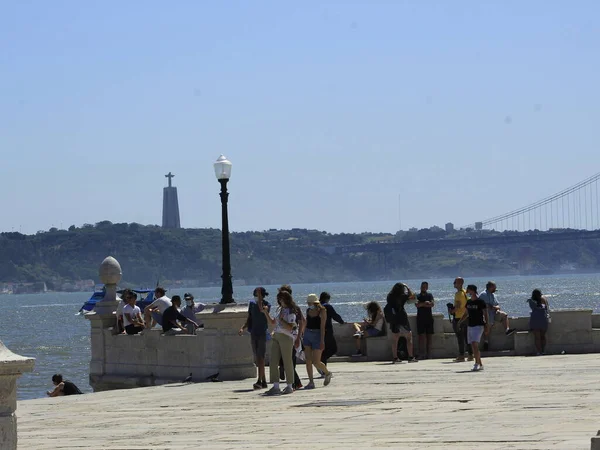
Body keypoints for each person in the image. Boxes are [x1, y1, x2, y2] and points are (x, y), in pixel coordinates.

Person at [263, 290, 297, 395]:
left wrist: (282, 321)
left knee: (287, 361)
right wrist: (266, 313)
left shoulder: (291, 311)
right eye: (279, 298)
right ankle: (276, 386)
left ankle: (290, 386)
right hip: (276, 336)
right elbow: (273, 322)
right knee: (273, 361)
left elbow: (291, 327)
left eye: (281, 298)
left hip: (286, 337)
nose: (280, 300)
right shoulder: (279, 310)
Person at [239, 287, 271, 390]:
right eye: (255, 295)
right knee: (257, 357)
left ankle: (259, 380)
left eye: (257, 294)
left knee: (261, 357)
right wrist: (243, 328)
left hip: (262, 333)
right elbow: (250, 318)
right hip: (254, 333)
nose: (256, 297)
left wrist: (260, 299)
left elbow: (262, 310)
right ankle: (264, 381)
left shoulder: (267, 305)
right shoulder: (252, 304)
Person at [302, 294, 333, 389]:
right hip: (307, 334)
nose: (308, 304)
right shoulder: (308, 310)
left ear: (314, 303)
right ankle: (311, 382)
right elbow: (306, 323)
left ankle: (327, 373)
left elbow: (322, 327)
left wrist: (322, 341)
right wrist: (302, 334)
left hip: (317, 335)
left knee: (316, 361)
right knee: (308, 360)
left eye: (309, 303)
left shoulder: (322, 311)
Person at [277, 284, 304, 390]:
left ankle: (295, 383)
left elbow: (302, 322)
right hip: (283, 337)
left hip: (292, 337)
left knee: (290, 361)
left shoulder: (294, 308)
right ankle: (294, 382)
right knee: (287, 360)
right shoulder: (282, 309)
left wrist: (298, 338)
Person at [385, 282, 418, 363]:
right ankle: (410, 357)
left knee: (395, 339)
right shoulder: (402, 296)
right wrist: (407, 287)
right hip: (402, 318)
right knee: (409, 337)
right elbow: (412, 296)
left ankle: (395, 358)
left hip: (393, 318)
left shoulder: (389, 296)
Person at [459, 284, 489, 371]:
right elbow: (466, 313)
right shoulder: (468, 302)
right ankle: (480, 364)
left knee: (475, 345)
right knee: (473, 345)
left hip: (479, 325)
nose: (467, 291)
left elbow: (485, 314)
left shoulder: (480, 302)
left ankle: (476, 364)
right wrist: (460, 322)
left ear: (472, 290)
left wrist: (487, 325)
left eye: (468, 289)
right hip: (470, 325)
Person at [479, 281, 516, 350]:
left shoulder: (493, 295)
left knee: (504, 315)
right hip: (486, 314)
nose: (495, 290)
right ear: (490, 287)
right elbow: (484, 306)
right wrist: (492, 307)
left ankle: (507, 330)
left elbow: (497, 305)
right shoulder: (483, 295)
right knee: (488, 328)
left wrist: (496, 308)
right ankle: (486, 342)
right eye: (494, 288)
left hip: (494, 312)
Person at [449, 277, 473, 362]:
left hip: (459, 318)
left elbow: (458, 306)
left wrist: (452, 311)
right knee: (467, 338)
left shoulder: (458, 293)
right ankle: (470, 355)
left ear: (459, 283)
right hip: (466, 317)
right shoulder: (465, 292)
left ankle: (461, 355)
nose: (453, 283)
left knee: (460, 338)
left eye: (455, 282)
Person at [319, 292, 345, 366]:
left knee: (323, 350)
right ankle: (320, 361)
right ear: (327, 299)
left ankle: (322, 367)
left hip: (318, 331)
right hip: (327, 331)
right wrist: (342, 322)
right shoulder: (327, 306)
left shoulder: (317, 306)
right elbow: (335, 316)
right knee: (333, 349)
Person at [416, 281, 435, 360]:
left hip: (429, 318)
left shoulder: (430, 295)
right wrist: (425, 304)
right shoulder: (417, 296)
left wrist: (423, 304)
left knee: (429, 336)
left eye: (425, 286)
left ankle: (429, 354)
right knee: (421, 337)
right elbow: (417, 305)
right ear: (420, 287)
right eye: (422, 286)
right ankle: (421, 354)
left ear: (427, 287)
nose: (424, 288)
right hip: (420, 318)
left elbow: (432, 304)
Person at [528, 289, 550, 355]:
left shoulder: (531, 301)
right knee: (543, 336)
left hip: (535, 319)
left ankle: (539, 351)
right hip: (543, 319)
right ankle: (543, 351)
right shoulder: (543, 299)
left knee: (537, 338)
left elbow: (532, 308)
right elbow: (547, 308)